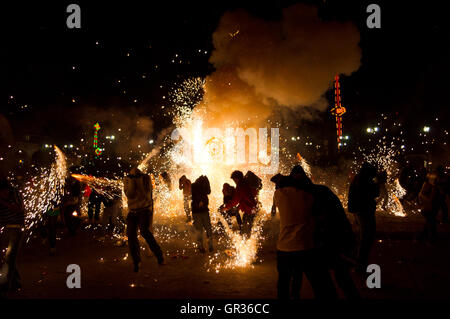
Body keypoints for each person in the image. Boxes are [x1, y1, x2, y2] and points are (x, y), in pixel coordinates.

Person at [294, 166, 360, 299]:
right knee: (340, 276)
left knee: (323, 279)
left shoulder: (309, 196)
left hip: (328, 241)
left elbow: (318, 219)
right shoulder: (322, 190)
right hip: (336, 240)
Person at [271, 169, 337, 300]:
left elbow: (278, 182)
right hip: (305, 246)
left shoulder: (278, 195)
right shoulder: (309, 196)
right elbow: (320, 217)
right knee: (317, 283)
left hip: (284, 248)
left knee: (283, 283)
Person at [124, 167, 164, 272]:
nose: (134, 171)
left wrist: (138, 180)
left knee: (144, 231)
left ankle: (159, 255)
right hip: (132, 211)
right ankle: (136, 261)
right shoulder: (127, 179)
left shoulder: (146, 178)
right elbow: (130, 194)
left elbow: (145, 194)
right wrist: (133, 181)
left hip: (144, 210)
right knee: (131, 235)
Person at [348, 162, 380, 271]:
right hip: (364, 211)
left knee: (365, 236)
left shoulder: (358, 179)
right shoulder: (364, 180)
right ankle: (360, 262)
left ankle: (360, 260)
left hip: (360, 211)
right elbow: (375, 193)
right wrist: (377, 183)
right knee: (366, 237)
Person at [0, 175, 25, 293]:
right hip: (4, 228)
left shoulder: (14, 193)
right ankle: (15, 282)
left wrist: (3, 201)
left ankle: (6, 286)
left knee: (9, 257)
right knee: (6, 258)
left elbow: (20, 208)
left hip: (15, 228)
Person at [220, 170, 258, 238]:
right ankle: (249, 241)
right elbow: (244, 198)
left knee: (245, 231)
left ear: (237, 178)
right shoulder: (246, 183)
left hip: (249, 210)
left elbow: (235, 200)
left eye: (234, 180)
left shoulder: (240, 186)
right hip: (252, 209)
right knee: (248, 228)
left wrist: (226, 207)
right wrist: (239, 207)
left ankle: (246, 245)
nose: (234, 182)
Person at [191, 175, 214, 253]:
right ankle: (206, 246)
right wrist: (199, 202)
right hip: (199, 211)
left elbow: (208, 192)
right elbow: (206, 192)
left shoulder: (197, 186)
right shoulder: (195, 186)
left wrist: (200, 202)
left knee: (201, 230)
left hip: (201, 211)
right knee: (205, 229)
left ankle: (203, 246)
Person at [418, 173, 439, 244]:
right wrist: (428, 202)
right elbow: (422, 196)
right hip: (428, 208)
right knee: (431, 224)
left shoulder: (432, 186)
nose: (436, 181)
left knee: (429, 224)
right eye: (435, 180)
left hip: (430, 207)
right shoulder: (428, 186)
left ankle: (421, 239)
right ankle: (431, 240)